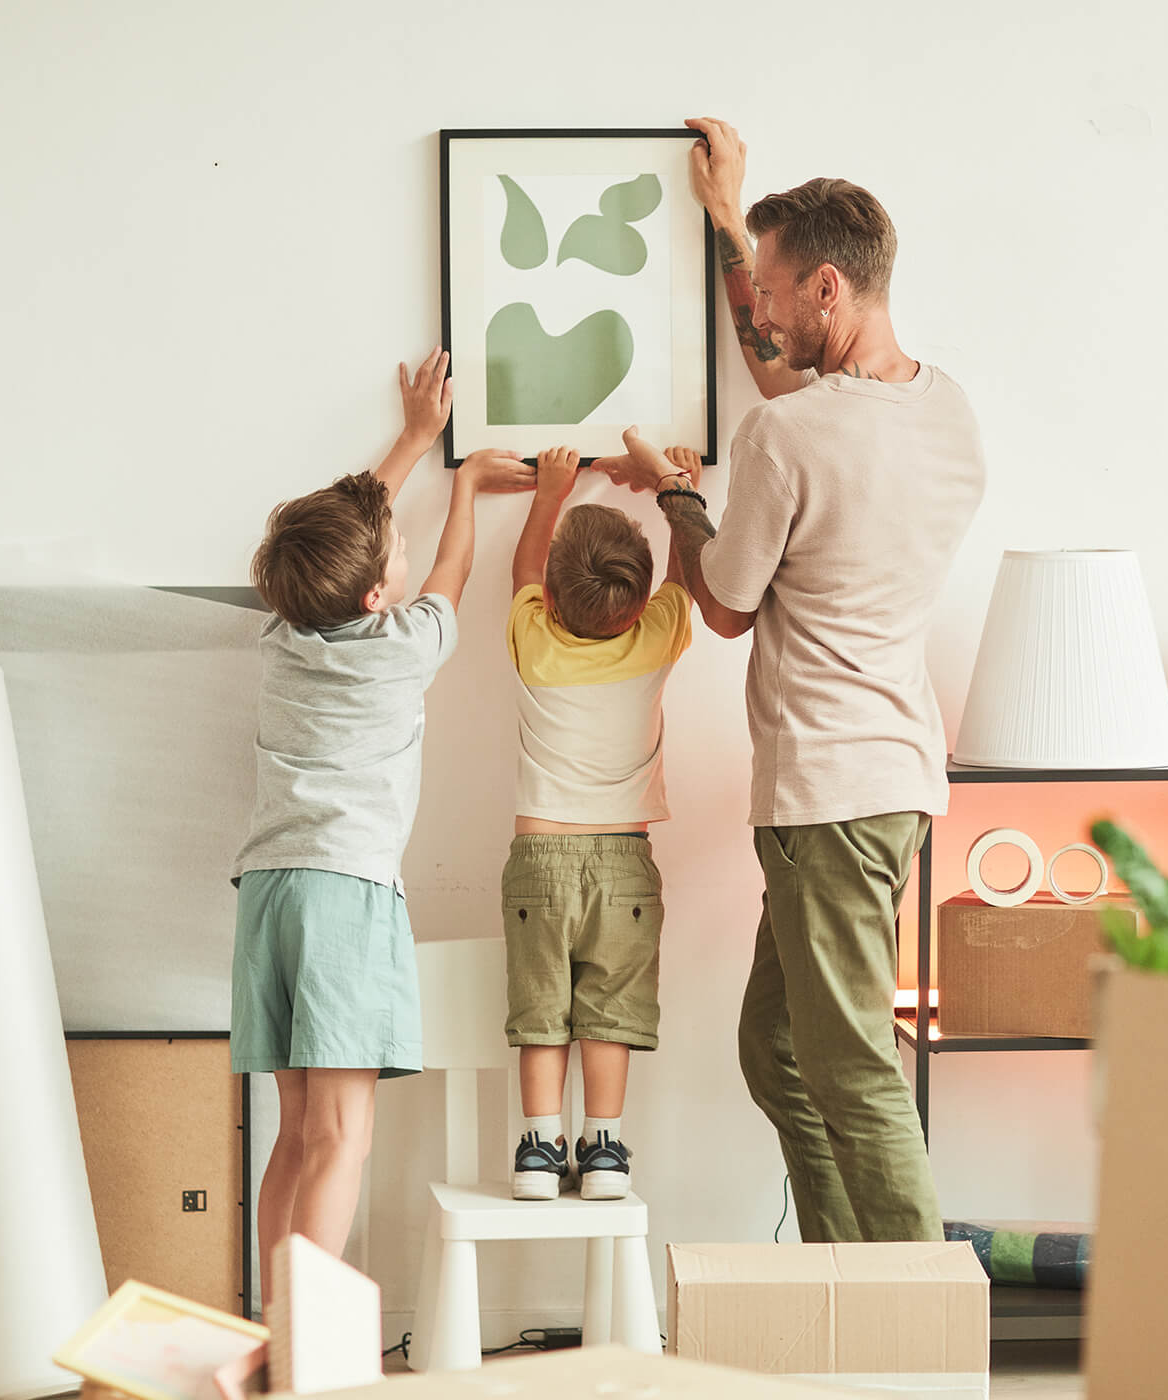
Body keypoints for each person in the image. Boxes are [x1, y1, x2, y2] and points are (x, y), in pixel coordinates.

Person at [605, 125, 987, 1242]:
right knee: (776, 1047)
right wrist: (728, 225)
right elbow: (797, 403)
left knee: (853, 1066)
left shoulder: (786, 436)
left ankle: (921, 1335)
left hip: (826, 792)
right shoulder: (948, 410)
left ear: (829, 285)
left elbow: (723, 604)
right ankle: (840, 1281)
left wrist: (676, 494)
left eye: (773, 292)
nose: (760, 315)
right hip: (893, 780)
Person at [230, 349, 533, 1290]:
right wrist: (469, 490)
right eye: (387, 551)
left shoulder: (280, 637)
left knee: (294, 1136)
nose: (402, 547)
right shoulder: (404, 647)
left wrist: (413, 440)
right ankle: (305, 1353)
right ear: (373, 597)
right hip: (344, 895)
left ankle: (272, 1328)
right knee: (343, 1139)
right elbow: (451, 567)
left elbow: (361, 532)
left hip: (268, 897)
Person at [500, 439, 702, 1200]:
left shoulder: (533, 640)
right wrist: (677, 488)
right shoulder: (657, 638)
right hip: (624, 861)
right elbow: (684, 580)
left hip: (539, 857)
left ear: (552, 601)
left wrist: (549, 494)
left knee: (541, 1009)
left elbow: (523, 571)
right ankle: (607, 1151)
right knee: (609, 1011)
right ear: (640, 601)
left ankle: (539, 1150)